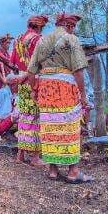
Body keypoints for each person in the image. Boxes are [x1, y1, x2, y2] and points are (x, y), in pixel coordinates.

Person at [28, 13, 92, 183]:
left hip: (46, 89)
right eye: (74, 26)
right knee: (69, 127)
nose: (74, 29)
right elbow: (78, 70)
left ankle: (53, 170)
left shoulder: (42, 41)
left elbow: (31, 71)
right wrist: (83, 96)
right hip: (65, 89)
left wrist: (34, 90)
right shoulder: (71, 40)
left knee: (50, 127)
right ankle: (73, 171)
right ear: (69, 25)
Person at [12, 15, 48, 165]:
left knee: (24, 116)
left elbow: (13, 61)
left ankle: (21, 154)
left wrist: (21, 76)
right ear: (39, 26)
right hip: (34, 81)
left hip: (22, 82)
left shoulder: (18, 39)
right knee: (35, 118)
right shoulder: (37, 39)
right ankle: (34, 156)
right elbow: (40, 63)